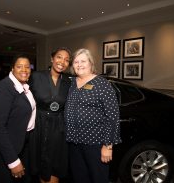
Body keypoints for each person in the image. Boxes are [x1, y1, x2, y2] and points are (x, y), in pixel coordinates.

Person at [64, 48, 122, 183]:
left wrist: (108, 146)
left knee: (98, 178)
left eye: (83, 61)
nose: (79, 65)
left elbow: (112, 117)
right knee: (79, 178)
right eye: (76, 62)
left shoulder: (102, 84)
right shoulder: (72, 83)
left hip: (95, 143)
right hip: (74, 142)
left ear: (91, 63)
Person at [0, 54, 36, 183]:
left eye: (27, 67)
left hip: (19, 143)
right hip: (2, 149)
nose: (24, 70)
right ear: (12, 69)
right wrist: (12, 161)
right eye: (19, 66)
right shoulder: (4, 88)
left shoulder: (23, 86)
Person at [29, 47, 71, 183]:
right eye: (59, 57)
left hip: (58, 128)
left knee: (55, 164)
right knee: (41, 163)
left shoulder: (68, 82)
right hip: (39, 126)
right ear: (52, 59)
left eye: (66, 60)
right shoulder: (35, 76)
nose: (62, 62)